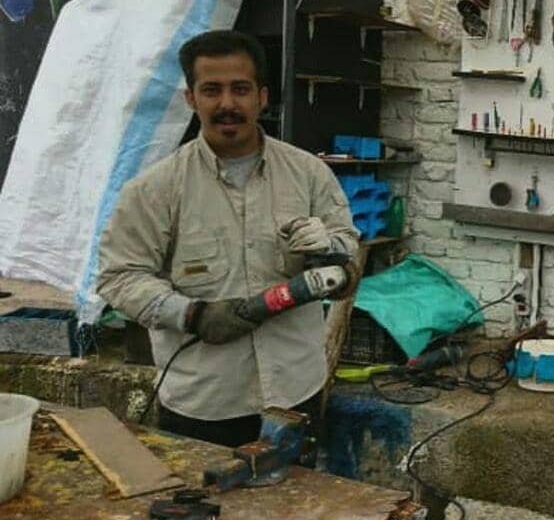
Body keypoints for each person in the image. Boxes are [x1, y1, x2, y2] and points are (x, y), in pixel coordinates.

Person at [97, 29, 359, 449]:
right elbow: (119, 277)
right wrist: (192, 315)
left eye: (240, 89)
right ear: (191, 98)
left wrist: (330, 250)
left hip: (297, 392)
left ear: (262, 97)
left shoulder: (309, 174)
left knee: (299, 492)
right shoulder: (155, 189)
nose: (227, 104)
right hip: (205, 403)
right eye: (211, 90)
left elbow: (347, 258)